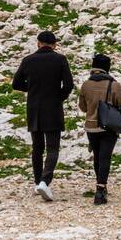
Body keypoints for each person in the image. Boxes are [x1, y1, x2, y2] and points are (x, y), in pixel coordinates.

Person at [11, 29, 74, 202]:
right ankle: (45, 181)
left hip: (34, 108)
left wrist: (31, 88)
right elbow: (69, 85)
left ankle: (38, 180)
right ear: (54, 45)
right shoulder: (60, 59)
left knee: (37, 148)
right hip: (53, 108)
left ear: (38, 43)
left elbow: (16, 84)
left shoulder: (28, 60)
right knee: (53, 148)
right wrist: (57, 97)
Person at [76, 53, 121, 205]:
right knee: (105, 157)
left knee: (98, 156)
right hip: (108, 127)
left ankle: (99, 185)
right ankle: (100, 189)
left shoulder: (86, 84)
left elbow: (83, 107)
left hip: (91, 127)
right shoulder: (114, 85)